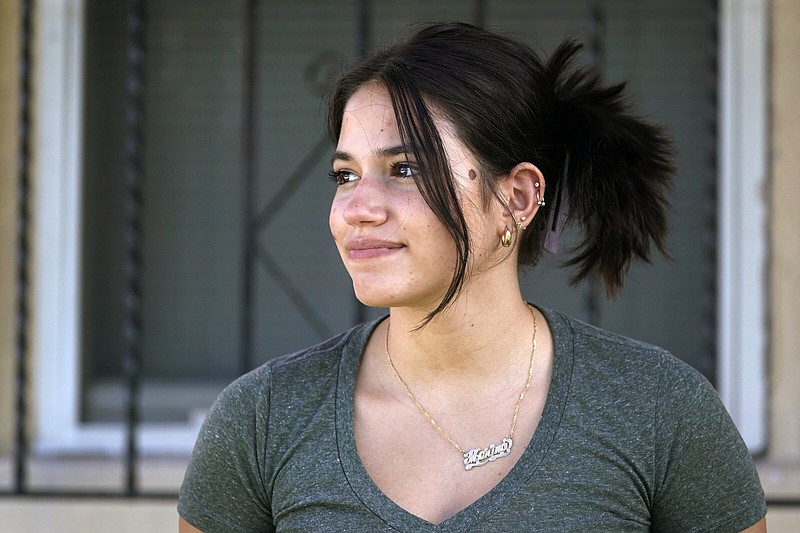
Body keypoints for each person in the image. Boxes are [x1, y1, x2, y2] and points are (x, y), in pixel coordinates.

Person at [178, 22, 767, 532]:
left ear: (517, 196)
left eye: (404, 168)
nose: (357, 208)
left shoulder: (657, 409)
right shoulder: (263, 420)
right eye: (345, 175)